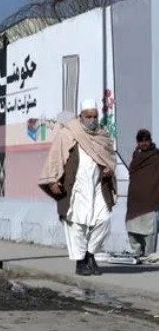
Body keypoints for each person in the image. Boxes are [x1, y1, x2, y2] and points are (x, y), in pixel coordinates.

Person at [38, 99, 116, 276]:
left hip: (97, 187)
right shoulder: (68, 133)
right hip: (76, 188)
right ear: (81, 116)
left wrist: (108, 169)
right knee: (76, 225)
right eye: (88, 116)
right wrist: (53, 181)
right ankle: (80, 262)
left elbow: (110, 158)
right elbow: (55, 157)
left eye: (95, 116)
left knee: (104, 221)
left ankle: (90, 254)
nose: (92, 120)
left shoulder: (102, 134)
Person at [125, 129, 159, 256]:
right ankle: (136, 253)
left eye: (146, 140)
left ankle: (149, 256)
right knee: (132, 228)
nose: (144, 143)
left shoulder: (156, 156)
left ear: (150, 141)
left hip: (150, 200)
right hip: (135, 200)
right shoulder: (136, 155)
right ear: (137, 142)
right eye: (141, 141)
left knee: (149, 231)